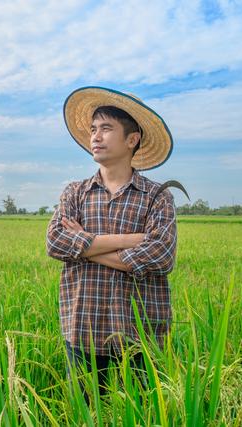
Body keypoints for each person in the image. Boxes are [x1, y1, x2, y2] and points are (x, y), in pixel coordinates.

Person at [46, 87, 177, 400]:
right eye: (93, 129)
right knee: (84, 415)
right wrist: (128, 241)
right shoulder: (75, 193)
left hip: (141, 334)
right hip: (83, 327)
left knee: (147, 414)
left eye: (106, 129)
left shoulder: (157, 196)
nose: (96, 136)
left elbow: (160, 255)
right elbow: (56, 242)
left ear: (132, 139)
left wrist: (85, 249)